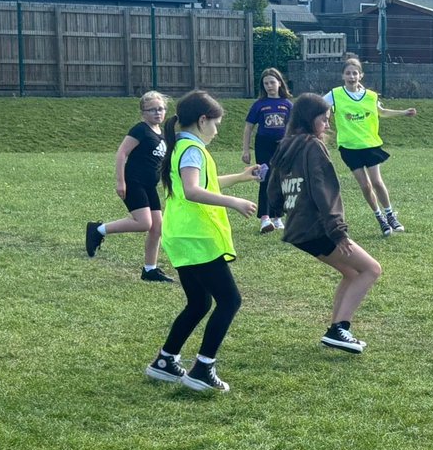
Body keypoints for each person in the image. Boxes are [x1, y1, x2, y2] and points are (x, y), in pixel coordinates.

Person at [145, 90, 259, 392]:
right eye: (216, 124)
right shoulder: (192, 149)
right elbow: (193, 190)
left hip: (182, 235)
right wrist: (234, 202)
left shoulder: (182, 146)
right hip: (197, 237)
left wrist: (241, 177)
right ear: (202, 120)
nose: (217, 131)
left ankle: (165, 361)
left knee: (199, 302)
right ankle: (202, 369)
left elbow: (201, 183)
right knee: (230, 301)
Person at [268, 93, 382, 353]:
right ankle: (339, 328)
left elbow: (273, 187)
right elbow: (323, 190)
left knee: (351, 273)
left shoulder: (285, 145)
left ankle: (336, 331)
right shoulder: (313, 147)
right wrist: (338, 232)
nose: (327, 125)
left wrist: (277, 208)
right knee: (371, 269)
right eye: (324, 119)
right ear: (310, 119)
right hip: (316, 227)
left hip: (297, 228)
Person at [85, 91, 176, 282]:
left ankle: (149, 270)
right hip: (134, 182)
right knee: (144, 223)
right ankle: (98, 230)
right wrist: (120, 181)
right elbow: (121, 153)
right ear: (143, 112)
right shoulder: (140, 130)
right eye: (152, 110)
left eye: (161, 109)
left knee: (157, 228)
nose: (157, 113)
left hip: (150, 186)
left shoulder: (161, 133)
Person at [324, 55, 417, 237]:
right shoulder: (335, 94)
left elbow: (382, 112)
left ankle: (390, 215)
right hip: (349, 147)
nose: (351, 76)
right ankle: (380, 218)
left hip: (370, 145)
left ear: (361, 75)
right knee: (365, 186)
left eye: (355, 73)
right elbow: (319, 106)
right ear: (343, 76)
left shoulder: (370, 96)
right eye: (348, 73)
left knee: (377, 182)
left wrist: (403, 112)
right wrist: (324, 119)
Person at [241, 67, 293, 235]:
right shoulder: (259, 105)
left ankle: (277, 216)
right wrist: (245, 150)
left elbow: (294, 127)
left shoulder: (287, 104)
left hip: (282, 146)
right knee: (266, 178)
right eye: (266, 83)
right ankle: (265, 217)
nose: (269, 86)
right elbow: (248, 127)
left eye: (272, 82)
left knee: (281, 180)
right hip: (264, 145)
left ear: (279, 83)